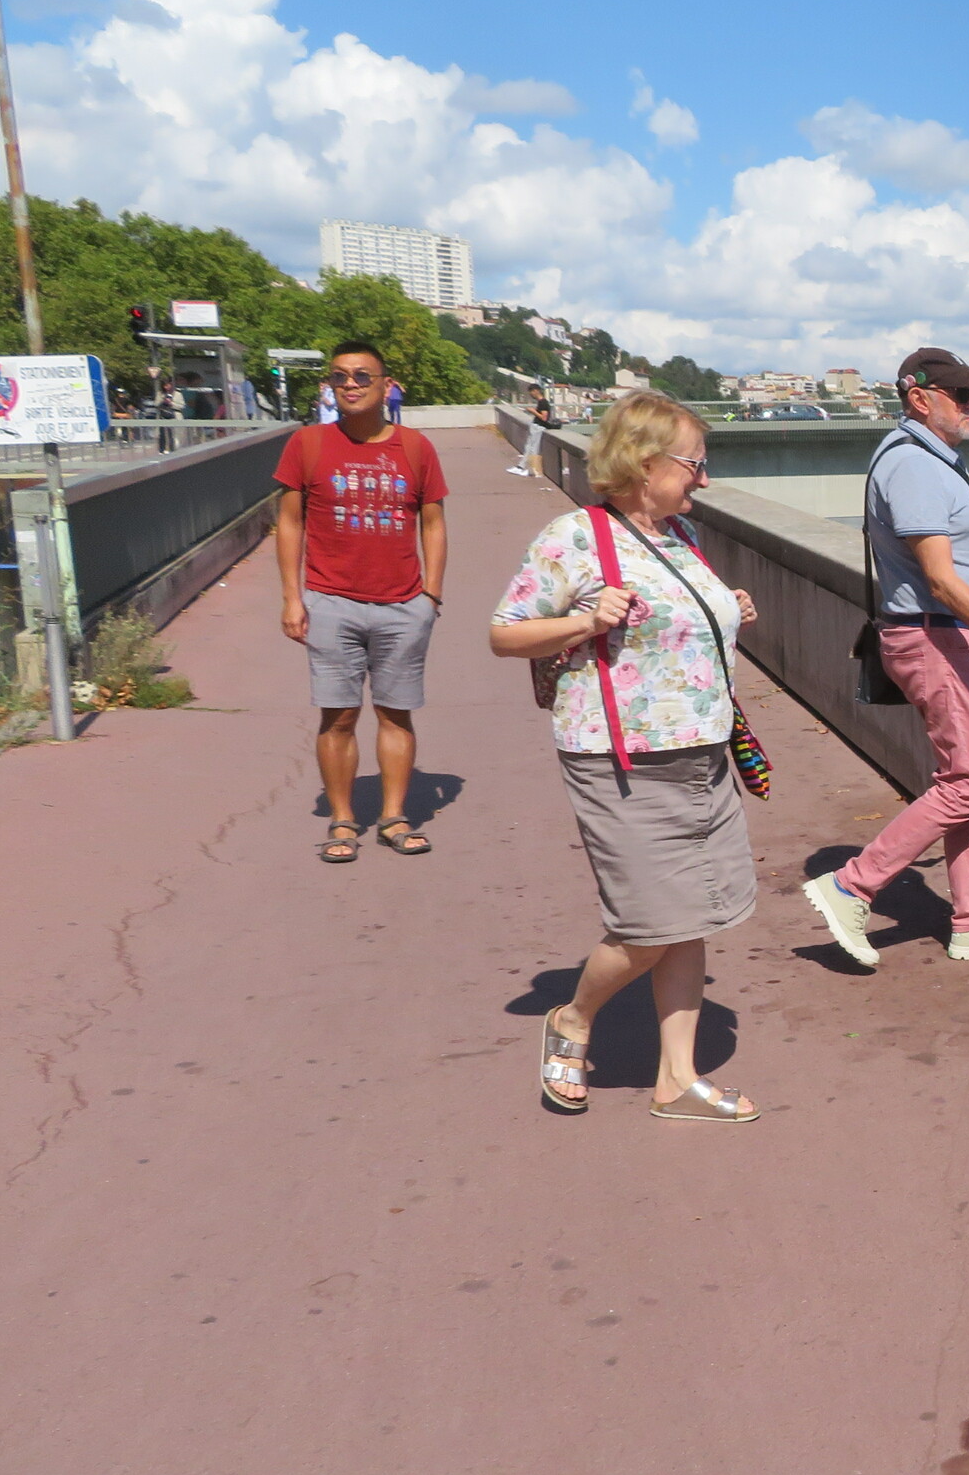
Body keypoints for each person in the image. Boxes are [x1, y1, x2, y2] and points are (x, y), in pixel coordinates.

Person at [489, 391, 763, 1122]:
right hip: (623, 763)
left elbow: (670, 622)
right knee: (647, 926)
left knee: (690, 917)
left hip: (702, 755)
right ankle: (574, 1017)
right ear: (645, 464)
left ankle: (676, 1080)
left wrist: (726, 608)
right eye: (694, 464)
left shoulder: (681, 537)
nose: (704, 478)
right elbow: (504, 633)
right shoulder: (575, 537)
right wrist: (583, 620)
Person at [802, 347, 969, 968]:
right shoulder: (914, 466)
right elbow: (941, 581)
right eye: (964, 396)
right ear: (920, 399)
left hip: (942, 635)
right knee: (968, 782)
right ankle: (852, 886)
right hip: (934, 637)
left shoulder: (925, 458)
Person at [274, 342, 449, 863]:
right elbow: (289, 522)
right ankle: (342, 819)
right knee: (339, 716)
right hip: (330, 601)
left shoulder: (415, 448)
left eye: (362, 376)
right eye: (340, 376)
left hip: (403, 604)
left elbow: (433, 523)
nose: (350, 384)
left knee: (396, 714)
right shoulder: (308, 443)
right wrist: (292, 598)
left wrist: (431, 595)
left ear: (386, 385)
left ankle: (394, 816)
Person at [512, 385, 555, 478]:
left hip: (539, 428)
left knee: (533, 449)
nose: (531, 394)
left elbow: (544, 417)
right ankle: (521, 467)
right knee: (529, 447)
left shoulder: (543, 402)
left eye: (531, 392)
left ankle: (535, 471)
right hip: (536, 427)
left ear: (536, 391)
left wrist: (533, 411)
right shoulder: (541, 402)